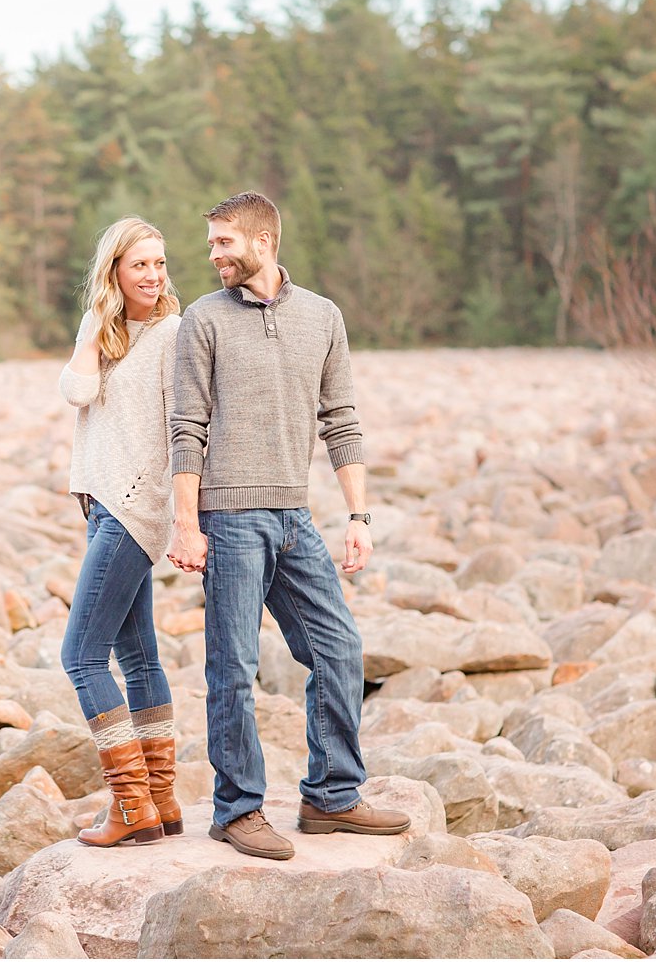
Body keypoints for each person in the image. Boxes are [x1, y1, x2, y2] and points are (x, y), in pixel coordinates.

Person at [167, 190, 410, 861]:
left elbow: (343, 420)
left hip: (295, 516)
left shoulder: (322, 317)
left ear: (263, 242)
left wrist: (359, 514)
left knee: (339, 649)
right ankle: (237, 810)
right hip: (231, 517)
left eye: (224, 242)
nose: (213, 253)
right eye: (211, 242)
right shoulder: (202, 319)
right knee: (233, 668)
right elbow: (186, 429)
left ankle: (331, 796)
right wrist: (187, 524)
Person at [58, 216, 183, 847]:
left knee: (80, 656)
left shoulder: (173, 334)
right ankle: (159, 801)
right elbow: (75, 390)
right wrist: (93, 323)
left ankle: (130, 805)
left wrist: (180, 513)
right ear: (114, 271)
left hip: (133, 507)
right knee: (138, 657)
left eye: (160, 263)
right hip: (101, 504)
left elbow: (186, 427)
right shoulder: (105, 331)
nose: (155, 275)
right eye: (140, 264)